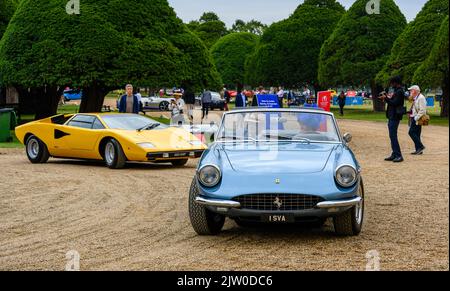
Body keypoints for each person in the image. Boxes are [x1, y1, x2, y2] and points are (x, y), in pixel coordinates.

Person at [379, 76, 406, 163]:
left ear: (396, 83)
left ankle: (398, 155)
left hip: (395, 116)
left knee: (393, 136)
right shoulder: (397, 91)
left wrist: (385, 98)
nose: (391, 85)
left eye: (392, 83)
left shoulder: (399, 91)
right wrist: (387, 98)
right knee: (392, 136)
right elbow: (393, 101)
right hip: (392, 116)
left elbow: (394, 103)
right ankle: (394, 153)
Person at [408, 85, 427, 155]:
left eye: (411, 90)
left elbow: (422, 110)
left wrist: (416, 118)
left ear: (415, 91)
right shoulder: (416, 97)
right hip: (414, 117)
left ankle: (421, 146)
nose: (410, 91)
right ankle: (418, 149)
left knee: (411, 132)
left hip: (417, 118)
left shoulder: (421, 98)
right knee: (417, 133)